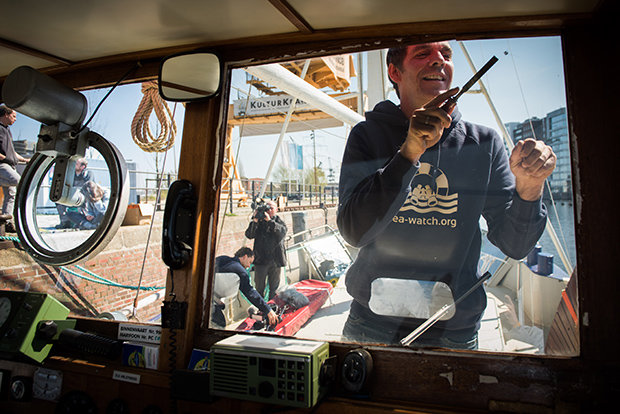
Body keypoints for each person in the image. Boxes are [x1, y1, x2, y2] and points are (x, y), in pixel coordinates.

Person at [337, 42, 556, 349]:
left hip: (454, 330)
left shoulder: (485, 143)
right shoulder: (366, 135)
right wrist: (408, 153)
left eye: (446, 54)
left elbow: (514, 245)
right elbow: (353, 231)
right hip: (371, 321)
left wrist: (531, 185)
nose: (438, 60)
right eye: (423, 53)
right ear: (394, 72)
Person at [211, 247, 279, 328]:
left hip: (208, 298)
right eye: (250, 262)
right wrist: (267, 309)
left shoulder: (222, 258)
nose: (248, 266)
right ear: (245, 256)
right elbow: (250, 292)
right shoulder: (240, 270)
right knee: (220, 325)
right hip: (211, 306)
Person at [244, 199, 287, 300]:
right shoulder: (258, 222)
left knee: (274, 289)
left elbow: (281, 233)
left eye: (271, 208)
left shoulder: (278, 221)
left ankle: (272, 308)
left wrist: (270, 221)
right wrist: (254, 220)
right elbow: (249, 235)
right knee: (259, 288)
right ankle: (261, 309)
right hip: (261, 261)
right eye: (267, 208)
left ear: (276, 209)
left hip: (275, 260)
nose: (269, 210)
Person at [0, 105, 30, 233]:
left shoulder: (7, 130)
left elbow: (11, 152)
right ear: (6, 115)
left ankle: (6, 222)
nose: (15, 119)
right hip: (2, 165)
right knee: (19, 180)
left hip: (11, 165)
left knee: (11, 195)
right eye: (14, 116)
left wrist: (24, 160)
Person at [56, 157, 93, 229]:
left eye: (76, 164)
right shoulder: (71, 173)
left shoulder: (88, 174)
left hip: (83, 197)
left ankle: (82, 222)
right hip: (72, 195)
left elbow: (89, 188)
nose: (74, 165)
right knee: (59, 200)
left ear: (83, 166)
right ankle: (64, 221)